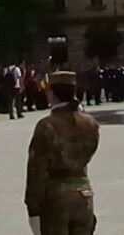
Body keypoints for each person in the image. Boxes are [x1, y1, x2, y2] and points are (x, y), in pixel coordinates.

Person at [26, 70, 98, 235]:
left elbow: (36, 170)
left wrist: (33, 208)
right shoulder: (89, 122)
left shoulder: (46, 125)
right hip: (84, 195)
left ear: (53, 93)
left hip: (55, 198)